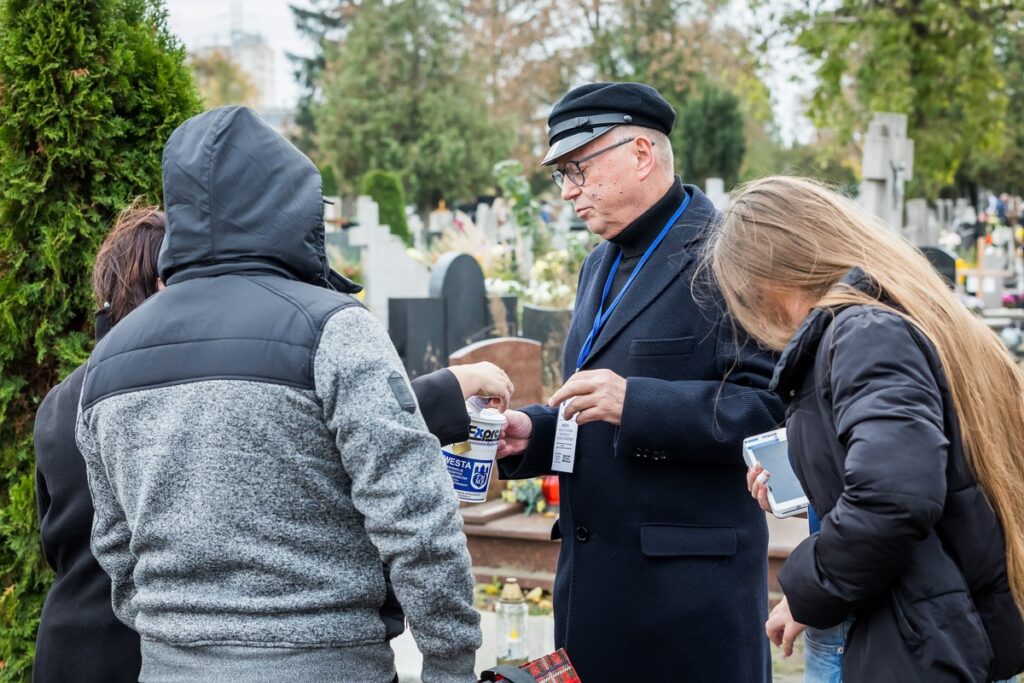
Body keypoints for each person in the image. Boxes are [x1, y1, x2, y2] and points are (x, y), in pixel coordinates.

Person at [76, 106, 480, 683]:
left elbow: (115, 545)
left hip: (170, 666)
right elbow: (416, 516)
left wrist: (180, 639)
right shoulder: (333, 327)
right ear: (292, 205)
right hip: (326, 662)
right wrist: (450, 662)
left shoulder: (110, 357)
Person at [495, 82, 784, 682]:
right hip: (595, 595)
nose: (568, 191)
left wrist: (635, 402)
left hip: (688, 606)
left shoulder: (732, 254)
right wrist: (535, 432)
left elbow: (771, 413)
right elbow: (594, 401)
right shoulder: (597, 262)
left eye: (578, 169)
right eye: (562, 175)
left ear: (642, 154)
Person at [710, 176, 1024, 682]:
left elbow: (894, 497)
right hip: (935, 624)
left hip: (910, 635)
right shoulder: (891, 317)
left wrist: (808, 590)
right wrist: (816, 486)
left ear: (767, 277)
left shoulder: (862, 332)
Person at [33, 204, 165, 682]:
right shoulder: (167, 389)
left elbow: (53, 537)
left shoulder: (59, 399)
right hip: (140, 647)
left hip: (66, 645)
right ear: (163, 284)